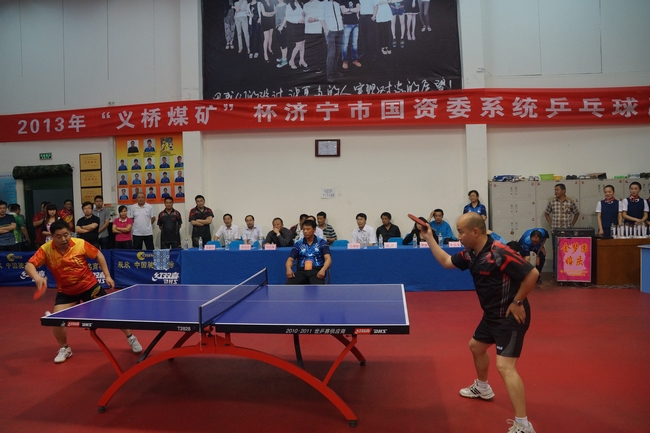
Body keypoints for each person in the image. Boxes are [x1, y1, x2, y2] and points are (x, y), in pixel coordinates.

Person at [418, 212, 538, 433]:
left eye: (461, 232)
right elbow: (446, 261)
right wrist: (429, 238)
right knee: (476, 346)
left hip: (510, 317)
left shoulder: (499, 252)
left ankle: (524, 425)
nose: (458, 236)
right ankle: (483, 388)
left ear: (475, 231)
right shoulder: (471, 254)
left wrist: (518, 301)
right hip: (491, 315)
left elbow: (532, 274)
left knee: (505, 367)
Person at [25, 220, 142, 364]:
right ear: (52, 236)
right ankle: (65, 348)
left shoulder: (80, 244)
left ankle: (130, 337)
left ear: (70, 233)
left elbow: (98, 254)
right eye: (59, 236)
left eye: (66, 235)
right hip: (66, 291)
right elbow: (29, 265)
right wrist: (37, 277)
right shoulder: (46, 249)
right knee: (56, 319)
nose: (63, 239)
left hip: (89, 287)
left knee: (112, 314)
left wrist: (107, 275)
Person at [544, 183, 579, 277]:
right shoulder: (552, 202)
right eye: (555, 190)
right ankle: (555, 272)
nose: (555, 192)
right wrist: (551, 223)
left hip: (567, 231)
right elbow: (546, 213)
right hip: (555, 231)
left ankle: (567, 270)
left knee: (567, 251)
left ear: (563, 191)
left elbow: (576, 213)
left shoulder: (570, 202)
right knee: (556, 251)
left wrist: (572, 224)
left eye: (557, 190)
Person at [285, 219, 332, 284]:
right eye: (303, 229)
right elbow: (290, 259)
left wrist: (323, 270)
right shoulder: (298, 244)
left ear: (314, 230)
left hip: (317, 271)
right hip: (301, 271)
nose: (305, 231)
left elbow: (328, 259)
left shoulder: (322, 243)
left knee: (317, 288)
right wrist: (288, 269)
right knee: (289, 285)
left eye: (308, 229)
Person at [322, 0, 345, 82]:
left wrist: (342, 27)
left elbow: (340, 16)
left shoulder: (336, 4)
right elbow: (321, 18)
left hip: (339, 30)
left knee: (337, 52)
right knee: (331, 53)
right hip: (330, 31)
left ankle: (334, 71)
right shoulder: (323, 4)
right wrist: (326, 30)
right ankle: (329, 74)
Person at [284, 0, 306, 70]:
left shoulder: (301, 4)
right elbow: (288, 17)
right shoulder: (289, 5)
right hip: (295, 26)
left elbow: (303, 14)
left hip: (302, 26)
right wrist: (297, 21)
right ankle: (291, 60)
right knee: (298, 45)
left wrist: (304, 18)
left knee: (303, 44)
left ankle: (301, 60)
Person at [341, 0, 361, 70]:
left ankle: (355, 60)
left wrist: (348, 10)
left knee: (355, 43)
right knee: (345, 44)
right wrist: (353, 10)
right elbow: (343, 11)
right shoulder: (342, 0)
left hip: (356, 23)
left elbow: (358, 9)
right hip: (346, 24)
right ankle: (345, 61)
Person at [274, 0, 289, 68]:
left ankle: (284, 60)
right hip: (277, 27)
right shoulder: (276, 6)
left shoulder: (286, 6)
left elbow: (286, 16)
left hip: (283, 27)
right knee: (280, 43)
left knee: (283, 44)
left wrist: (282, 26)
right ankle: (283, 56)